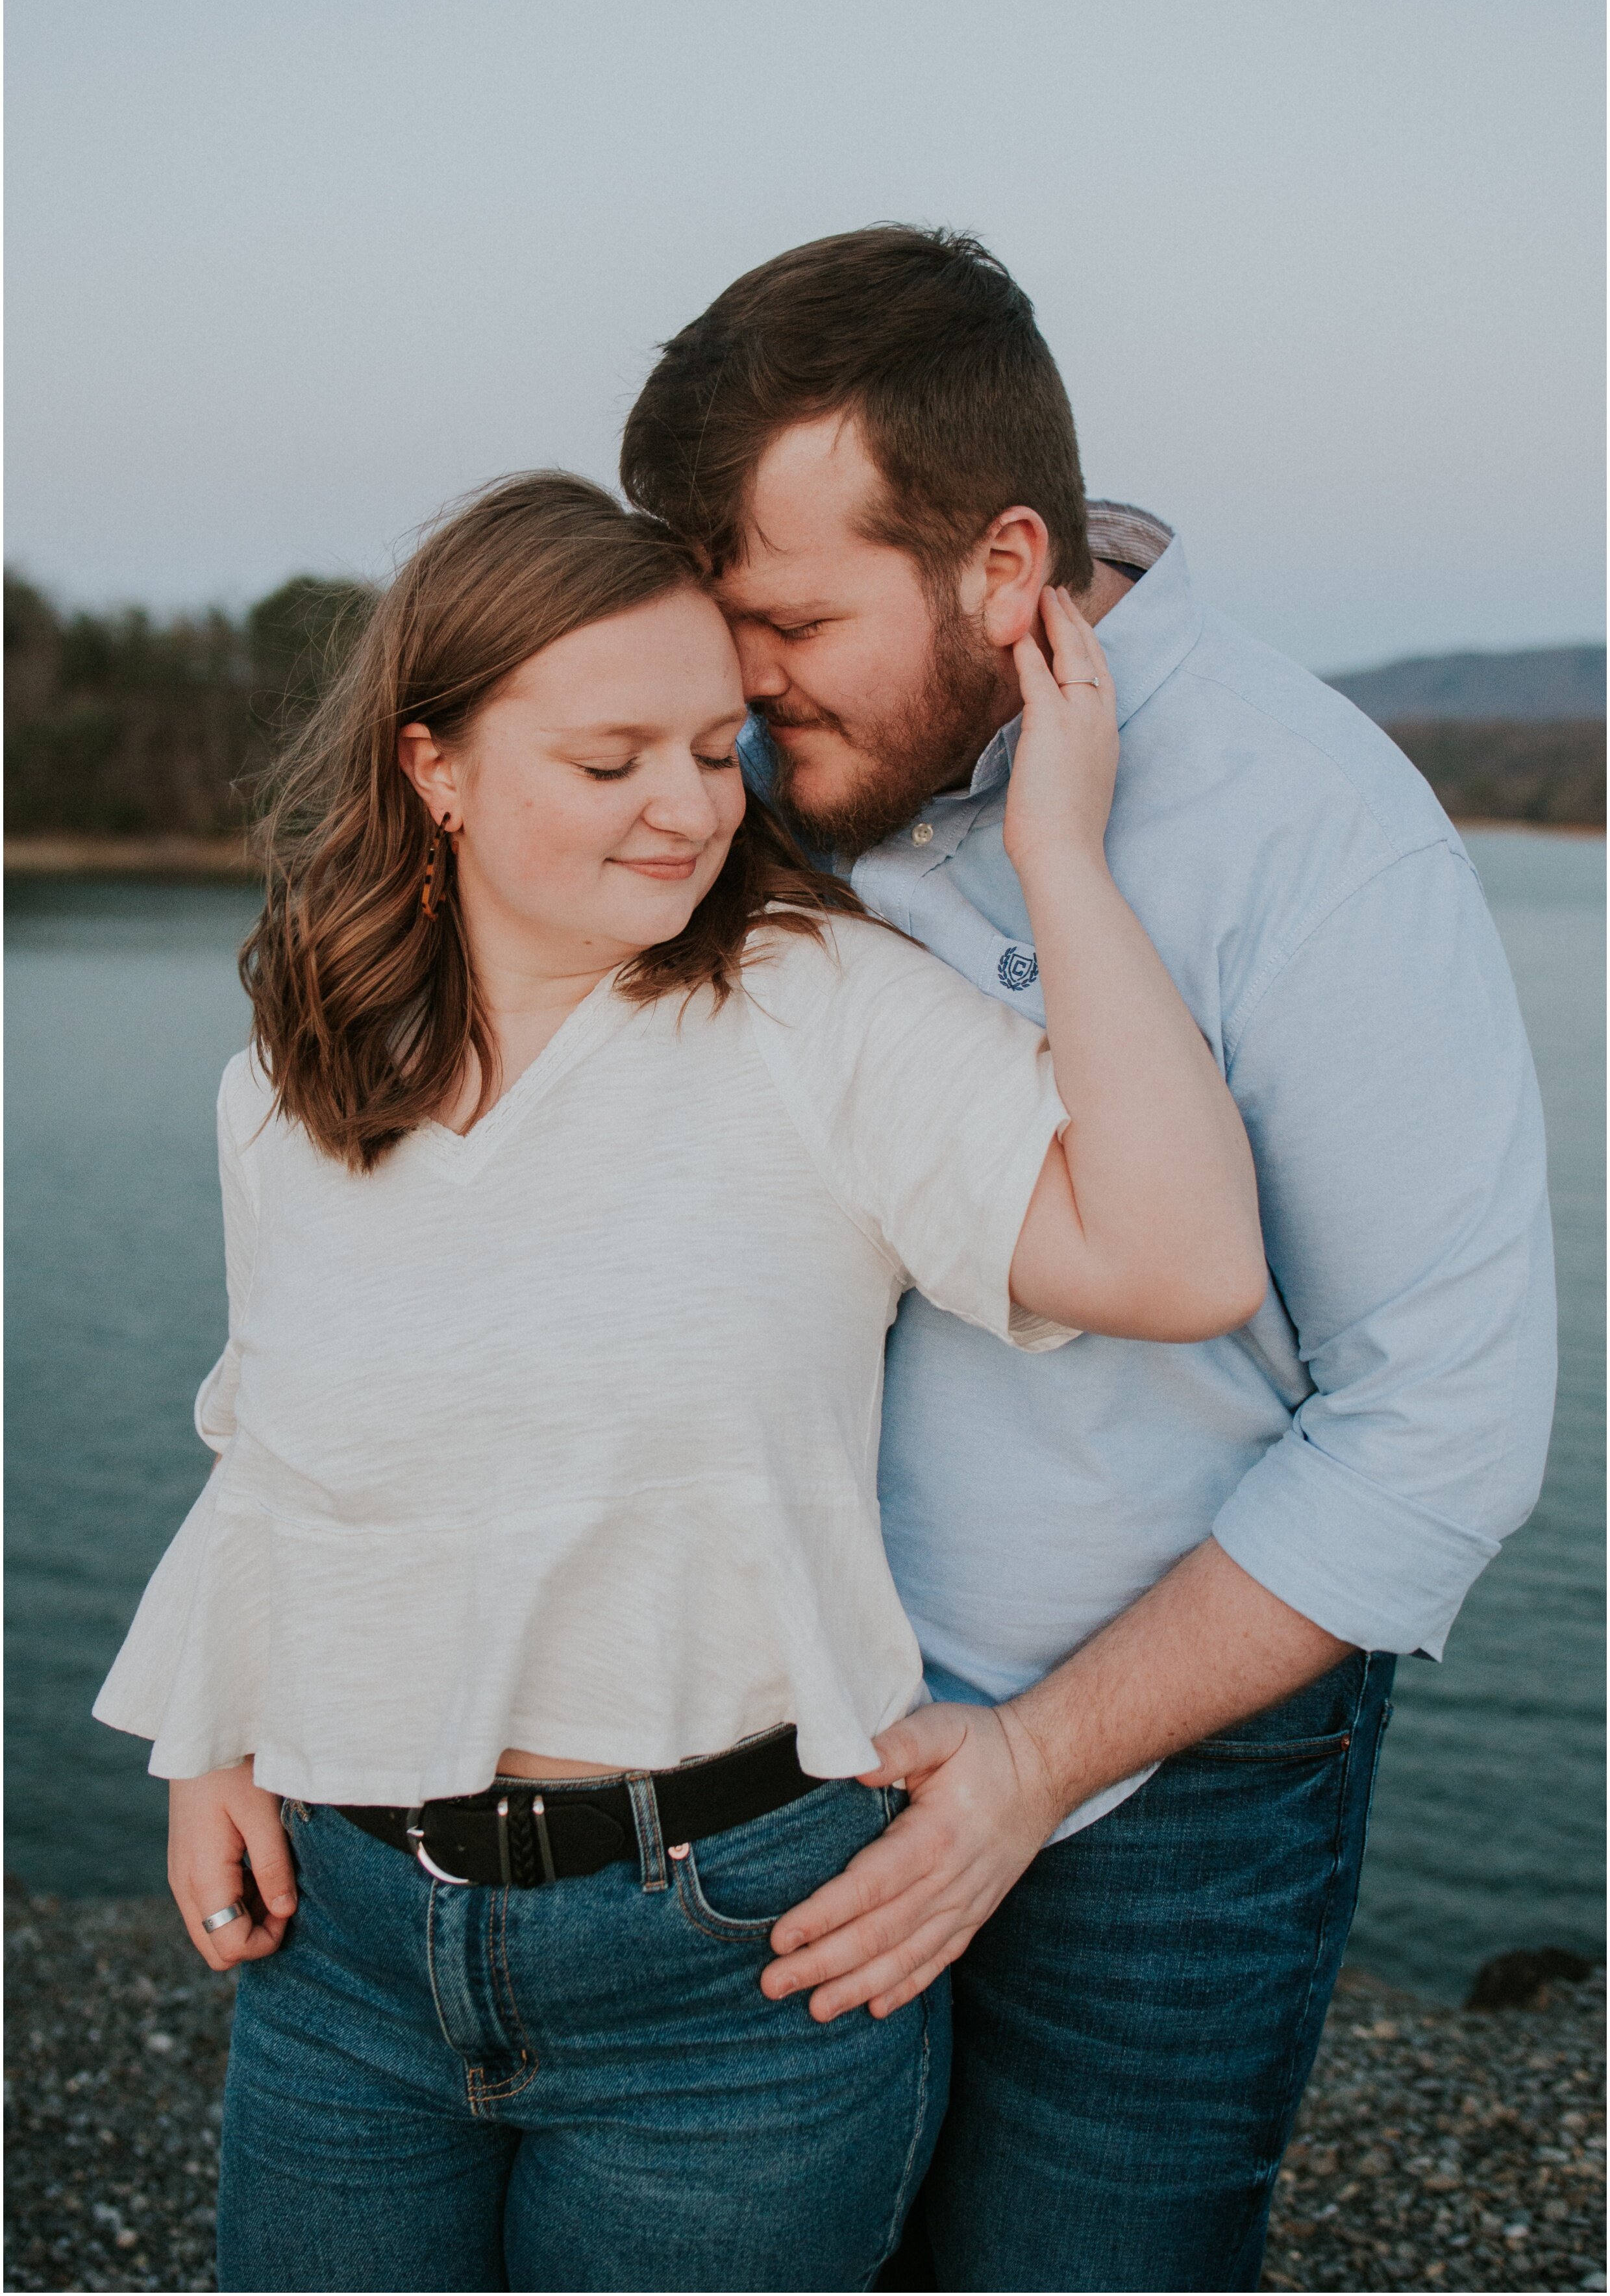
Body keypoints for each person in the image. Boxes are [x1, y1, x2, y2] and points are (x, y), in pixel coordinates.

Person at [93, 472, 1265, 2294]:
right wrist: (214, 1736)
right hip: (343, 1950)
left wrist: (1062, 857)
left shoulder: (815, 1010)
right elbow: (275, 1436)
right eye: (612, 756)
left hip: (726, 1963)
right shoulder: (300, 1067)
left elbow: (1183, 1260)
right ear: (437, 766)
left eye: (720, 749)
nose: (689, 807)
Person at [620, 225, 1558, 2294]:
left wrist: (1041, 1760)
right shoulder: (741, 782)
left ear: (1005, 564)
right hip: (770, 1756)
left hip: (1167, 1799)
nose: (740, 689)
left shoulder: (1315, 832)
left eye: (784, 619)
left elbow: (1448, 1428)